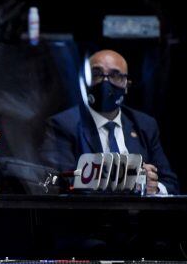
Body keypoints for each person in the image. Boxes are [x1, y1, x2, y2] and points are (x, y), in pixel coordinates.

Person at [40, 49, 179, 194]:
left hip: (138, 214)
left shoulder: (144, 125)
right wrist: (128, 180)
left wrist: (154, 188)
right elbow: (57, 182)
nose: (105, 82)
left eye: (115, 75)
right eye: (97, 74)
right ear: (85, 81)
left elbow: (170, 184)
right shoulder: (64, 124)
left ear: (126, 85)